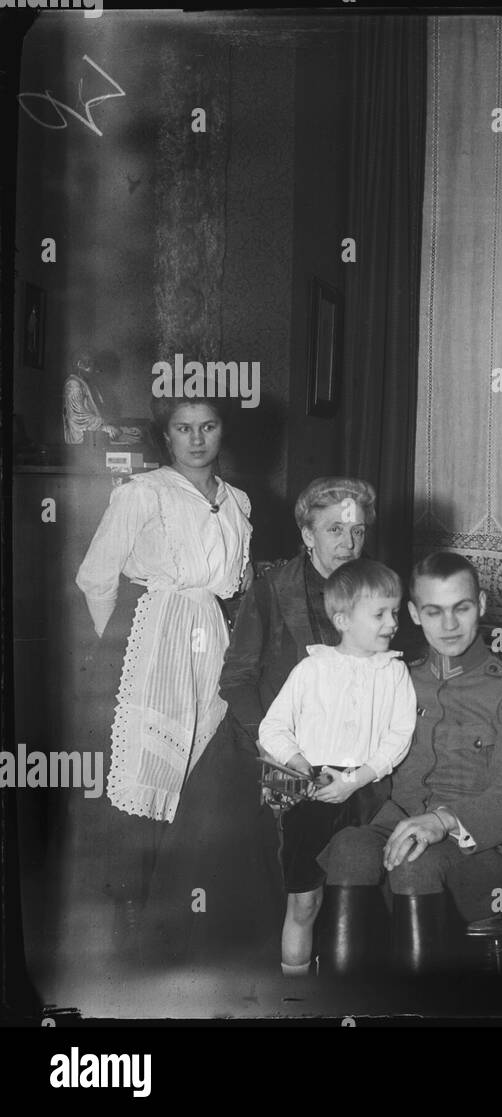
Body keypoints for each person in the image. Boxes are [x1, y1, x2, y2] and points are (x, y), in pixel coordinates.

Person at [72, 395, 252, 965]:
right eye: (183, 428)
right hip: (152, 640)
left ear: (223, 432)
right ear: (166, 436)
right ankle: (130, 915)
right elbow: (96, 577)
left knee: (204, 767)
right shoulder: (140, 493)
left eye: (208, 426)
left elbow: (238, 587)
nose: (196, 438)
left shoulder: (238, 501)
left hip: (212, 641)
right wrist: (125, 643)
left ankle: (181, 914)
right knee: (149, 768)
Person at [319, 551, 502, 975]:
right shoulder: (397, 679)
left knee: (416, 860)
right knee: (348, 848)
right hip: (397, 825)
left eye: (461, 609)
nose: (448, 625)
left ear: (481, 605)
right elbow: (352, 753)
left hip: (491, 850)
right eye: (434, 612)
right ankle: (341, 1008)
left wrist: (443, 821)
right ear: (413, 613)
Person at [204, 476, 381, 964]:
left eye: (359, 531)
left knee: (352, 888)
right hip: (280, 761)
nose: (349, 543)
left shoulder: (377, 589)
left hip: (356, 763)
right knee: (299, 893)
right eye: (335, 530)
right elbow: (236, 680)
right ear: (307, 534)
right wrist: (277, 749)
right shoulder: (270, 591)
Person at [257, 559, 416, 976]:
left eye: (395, 612)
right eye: (379, 613)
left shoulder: (395, 673)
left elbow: (398, 738)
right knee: (304, 901)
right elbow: (272, 728)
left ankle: (348, 989)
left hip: (365, 791)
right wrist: (303, 769)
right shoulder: (312, 669)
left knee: (356, 897)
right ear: (343, 620)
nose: (392, 622)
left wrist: (355, 780)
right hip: (310, 790)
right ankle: (293, 994)